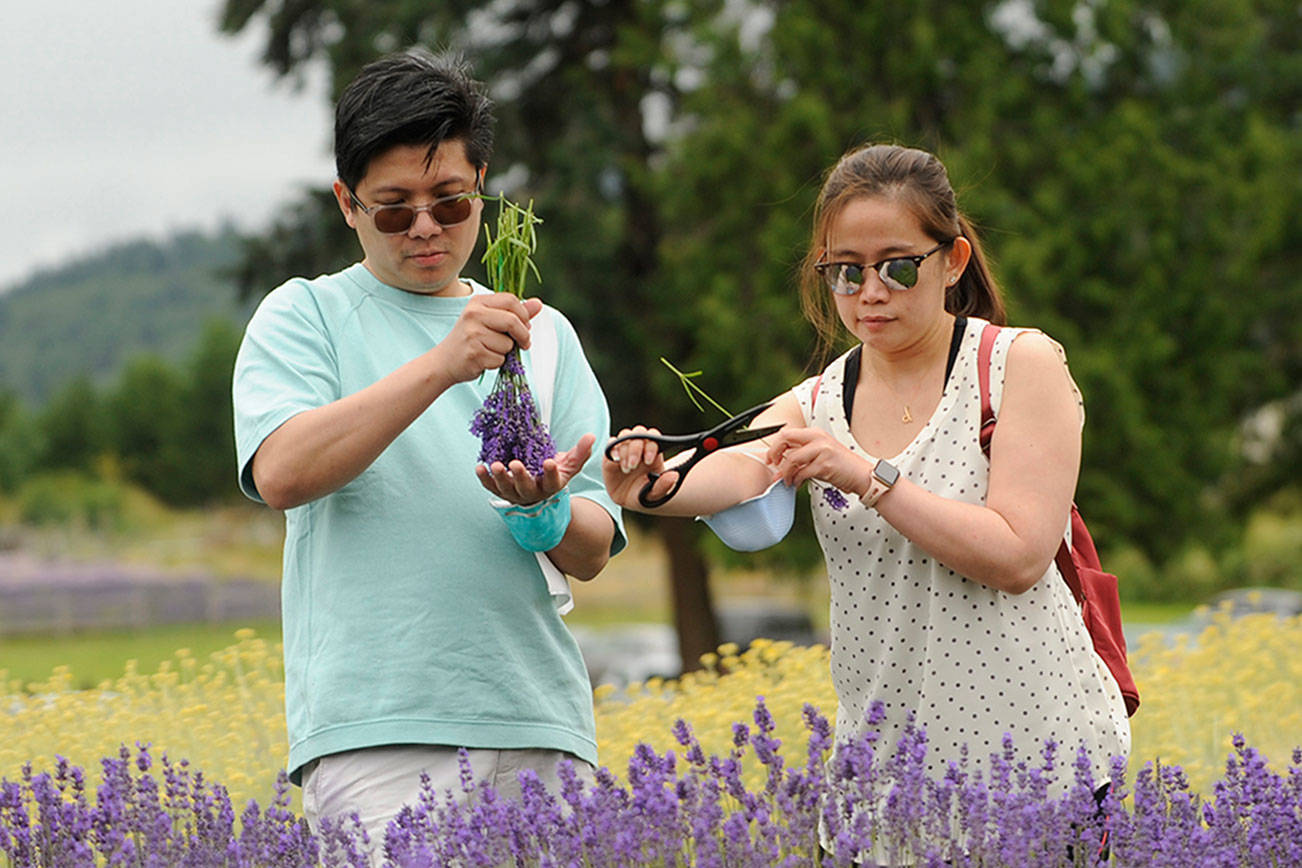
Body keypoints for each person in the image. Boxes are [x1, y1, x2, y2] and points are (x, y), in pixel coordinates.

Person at [604, 143, 1130, 860]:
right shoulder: (821, 398)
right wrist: (646, 482)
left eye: (897, 265)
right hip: (885, 776)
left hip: (1032, 763)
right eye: (845, 271)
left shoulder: (1018, 364)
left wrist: (866, 478)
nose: (870, 291)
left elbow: (1018, 555)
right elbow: (733, 471)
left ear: (954, 260)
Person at [232, 48, 625, 850]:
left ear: (481, 184)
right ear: (347, 203)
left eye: (450, 203)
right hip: (376, 731)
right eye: (392, 207)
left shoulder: (541, 334)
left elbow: (593, 547)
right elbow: (282, 471)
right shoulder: (304, 316)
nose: (424, 228)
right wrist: (443, 364)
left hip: (538, 716)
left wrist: (543, 510)